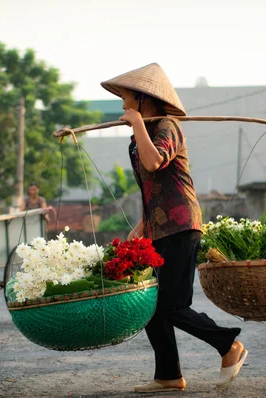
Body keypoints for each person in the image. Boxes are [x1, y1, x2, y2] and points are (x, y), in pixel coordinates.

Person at [101, 63, 246, 393]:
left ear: (142, 98)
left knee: (172, 304)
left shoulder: (168, 126)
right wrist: (142, 224)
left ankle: (229, 346)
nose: (123, 106)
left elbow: (155, 162)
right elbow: (151, 186)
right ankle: (168, 375)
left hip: (182, 226)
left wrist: (137, 123)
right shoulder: (142, 132)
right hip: (157, 228)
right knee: (151, 305)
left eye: (127, 99)